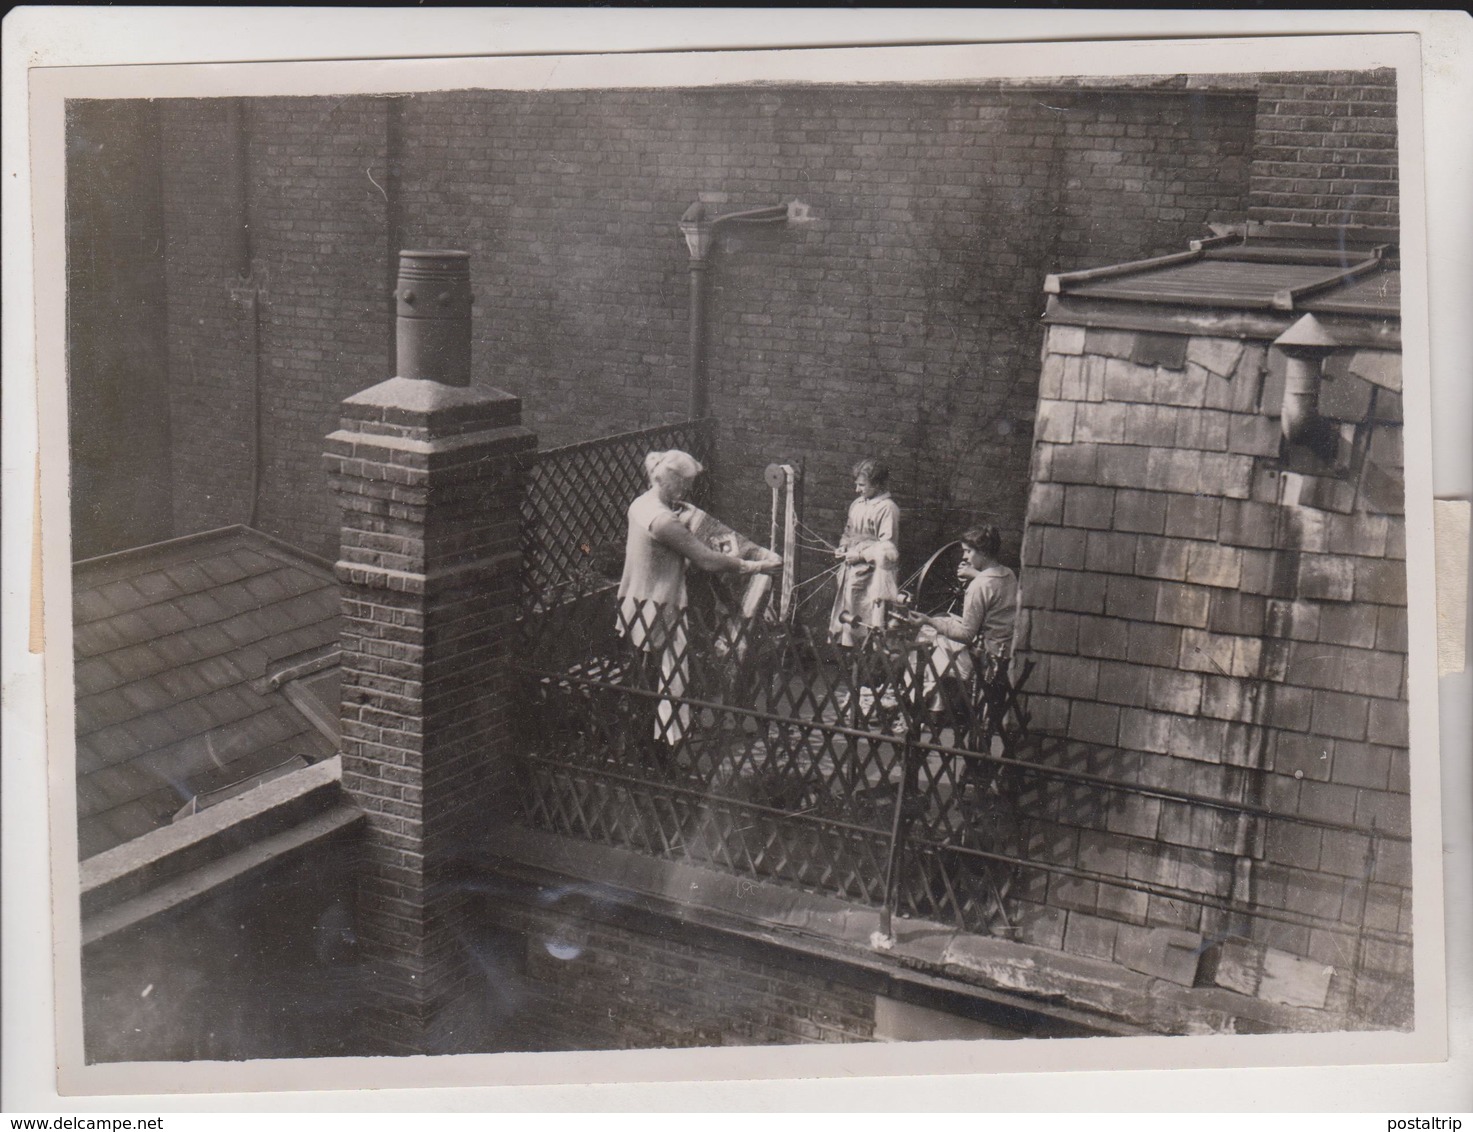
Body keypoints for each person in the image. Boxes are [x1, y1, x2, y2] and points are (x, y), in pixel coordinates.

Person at [618, 449, 777, 748]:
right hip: (658, 608)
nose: (688, 489)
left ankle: (648, 750)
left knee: (649, 680)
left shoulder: (642, 504)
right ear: (669, 479)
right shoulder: (663, 520)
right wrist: (756, 565)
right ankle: (661, 752)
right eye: (685, 483)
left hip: (638, 604)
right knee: (668, 683)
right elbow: (707, 560)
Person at [910, 523, 1018, 742]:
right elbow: (991, 589)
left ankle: (929, 707)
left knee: (931, 637)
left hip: (986, 660)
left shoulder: (979, 586)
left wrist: (929, 619)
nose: (965, 557)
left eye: (969, 552)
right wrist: (976, 574)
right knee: (943, 624)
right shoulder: (1008, 574)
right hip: (1005, 650)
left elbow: (966, 634)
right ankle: (937, 703)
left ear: (983, 552)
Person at [828, 458, 902, 649]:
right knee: (848, 615)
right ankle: (849, 652)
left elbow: (888, 548)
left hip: (873, 575)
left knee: (869, 618)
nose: (857, 489)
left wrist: (861, 556)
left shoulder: (887, 509)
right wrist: (843, 546)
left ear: (877, 484)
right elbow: (848, 531)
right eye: (857, 484)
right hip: (851, 570)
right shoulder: (857, 504)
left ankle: (866, 658)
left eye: (862, 485)